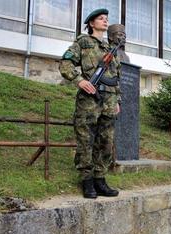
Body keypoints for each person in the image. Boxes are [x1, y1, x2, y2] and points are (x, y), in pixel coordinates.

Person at [59, 9, 121, 199]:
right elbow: (66, 63)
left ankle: (100, 180)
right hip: (90, 99)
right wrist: (79, 80)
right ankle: (87, 181)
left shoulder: (110, 48)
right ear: (91, 23)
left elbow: (116, 76)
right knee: (86, 141)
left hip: (109, 101)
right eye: (101, 19)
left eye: (106, 19)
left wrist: (117, 100)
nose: (105, 21)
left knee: (106, 141)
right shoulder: (83, 42)